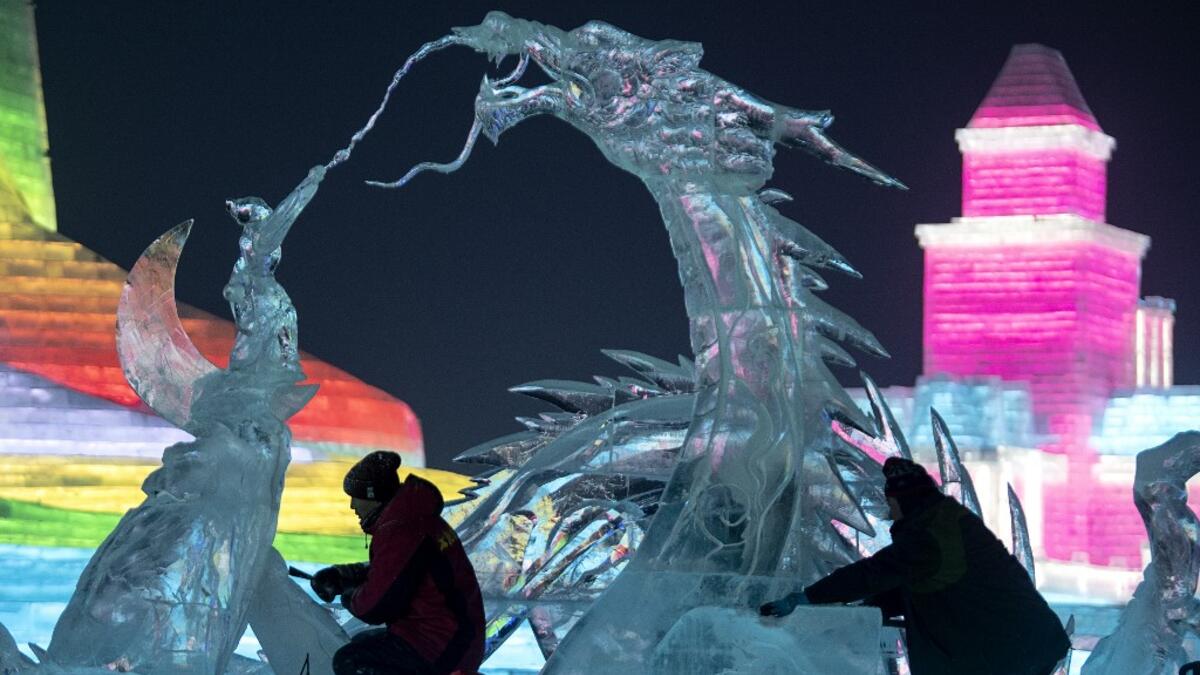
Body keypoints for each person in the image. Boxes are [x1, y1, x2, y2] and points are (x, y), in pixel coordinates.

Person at [760, 457, 1070, 675]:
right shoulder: (947, 523)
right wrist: (869, 607)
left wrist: (807, 596)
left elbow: (873, 573)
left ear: (905, 500)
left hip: (1012, 654)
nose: (889, 512)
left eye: (891, 503)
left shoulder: (932, 534)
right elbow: (922, 584)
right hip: (1023, 646)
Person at [311, 451, 485, 675]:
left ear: (373, 495)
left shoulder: (400, 529)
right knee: (363, 643)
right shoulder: (414, 518)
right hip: (454, 636)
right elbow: (400, 571)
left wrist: (349, 595)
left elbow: (377, 606)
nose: (353, 505)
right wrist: (348, 574)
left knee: (351, 661)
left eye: (356, 497)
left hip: (444, 645)